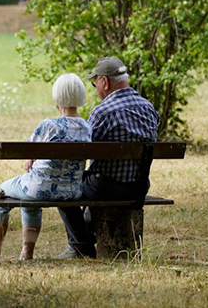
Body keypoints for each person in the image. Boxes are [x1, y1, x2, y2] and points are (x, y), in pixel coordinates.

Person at [53, 57, 159, 260]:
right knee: (94, 180)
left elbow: (84, 151)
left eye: (95, 84)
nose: (96, 89)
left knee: (63, 187)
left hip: (106, 186)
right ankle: (83, 242)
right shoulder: (149, 108)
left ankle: (81, 247)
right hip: (138, 186)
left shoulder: (102, 112)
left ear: (105, 82)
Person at [0, 73, 92, 263]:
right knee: (30, 197)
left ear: (57, 98)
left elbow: (28, 151)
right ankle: (26, 254)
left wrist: (31, 159)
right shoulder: (87, 127)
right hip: (72, 192)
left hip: (39, 189)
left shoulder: (48, 125)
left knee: (0, 195)